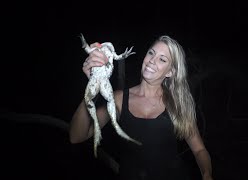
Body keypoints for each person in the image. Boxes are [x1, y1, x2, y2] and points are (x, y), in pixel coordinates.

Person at [69, 35, 214, 180]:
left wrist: (207, 174)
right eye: (151, 53)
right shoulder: (118, 99)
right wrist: (93, 86)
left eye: (162, 59)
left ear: (170, 72)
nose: (152, 60)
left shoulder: (177, 104)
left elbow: (199, 149)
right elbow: (77, 136)